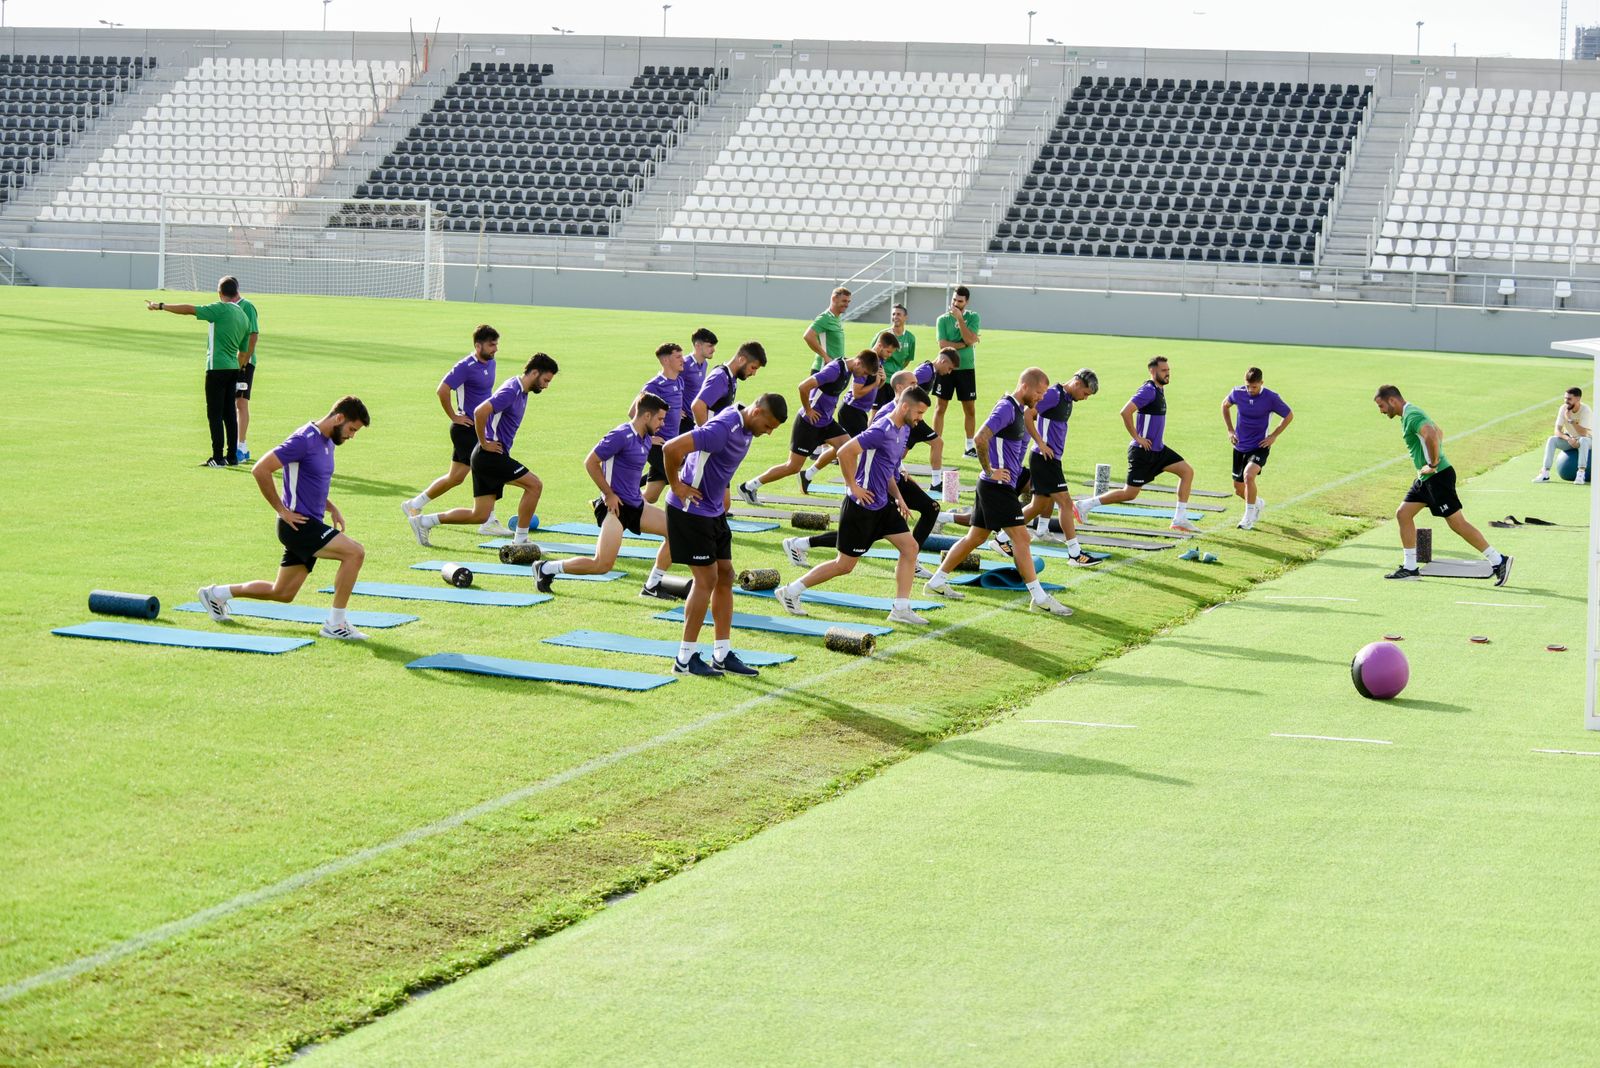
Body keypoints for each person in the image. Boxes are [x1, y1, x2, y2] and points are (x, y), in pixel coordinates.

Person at [197, 397, 372, 640]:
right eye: (352, 429)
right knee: (355, 552)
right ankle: (335, 623)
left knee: (282, 592)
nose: (352, 436)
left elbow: (312, 481)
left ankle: (216, 594)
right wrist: (281, 509)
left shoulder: (328, 440)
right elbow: (261, 469)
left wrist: (331, 507)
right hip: (298, 525)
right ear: (339, 418)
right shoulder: (304, 440)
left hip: (309, 523)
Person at [775, 387, 934, 626]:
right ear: (904, 407)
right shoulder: (882, 429)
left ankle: (901, 608)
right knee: (844, 566)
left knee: (910, 547)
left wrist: (899, 497)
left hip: (883, 504)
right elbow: (846, 451)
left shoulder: (902, 431)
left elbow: (887, 468)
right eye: (919, 412)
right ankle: (790, 591)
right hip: (862, 506)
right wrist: (853, 486)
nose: (920, 418)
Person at [923, 369, 1074, 617]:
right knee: (1022, 539)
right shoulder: (1006, 408)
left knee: (975, 538)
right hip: (996, 487)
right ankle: (1039, 597)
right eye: (1039, 392)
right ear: (1024, 386)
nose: (1041, 397)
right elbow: (980, 437)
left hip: (997, 486)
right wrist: (989, 470)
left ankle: (937, 581)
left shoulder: (1020, 410)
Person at [662, 394, 789, 677]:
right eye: (768, 426)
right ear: (757, 412)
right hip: (690, 511)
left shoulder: (745, 423)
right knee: (705, 579)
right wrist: (677, 486)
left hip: (713, 512)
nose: (768, 433)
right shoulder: (722, 429)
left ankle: (721, 654)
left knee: (725, 575)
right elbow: (671, 449)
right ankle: (685, 659)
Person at [784, 368, 944, 577]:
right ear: (900, 389)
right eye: (912, 383)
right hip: (878, 481)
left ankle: (910, 561)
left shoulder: (907, 418)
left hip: (891, 478)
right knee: (859, 541)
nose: (916, 387)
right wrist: (854, 484)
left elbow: (893, 452)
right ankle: (801, 546)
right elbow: (860, 449)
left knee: (920, 515)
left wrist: (900, 469)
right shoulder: (889, 417)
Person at [407, 354, 559, 546]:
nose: (546, 386)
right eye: (545, 380)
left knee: (479, 515)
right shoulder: (512, 390)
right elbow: (480, 411)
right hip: (489, 456)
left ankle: (424, 521)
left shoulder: (521, 391)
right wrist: (484, 442)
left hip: (488, 456)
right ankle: (520, 540)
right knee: (534, 485)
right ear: (534, 372)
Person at [1374, 385, 1512, 585]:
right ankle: (1410, 567)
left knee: (1457, 524)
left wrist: (1433, 463)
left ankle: (1499, 560)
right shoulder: (1410, 414)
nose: (1381, 411)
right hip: (1425, 480)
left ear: (1392, 401)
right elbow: (1439, 432)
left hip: (1438, 477)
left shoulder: (1412, 415)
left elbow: (1431, 434)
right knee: (1403, 514)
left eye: (1381, 406)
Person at [536, 394, 670, 592]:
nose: (663, 423)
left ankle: (652, 586)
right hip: (614, 509)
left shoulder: (647, 439)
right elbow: (590, 462)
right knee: (602, 565)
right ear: (647, 416)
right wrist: (608, 494)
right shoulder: (620, 435)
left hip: (636, 506)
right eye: (660, 419)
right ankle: (546, 568)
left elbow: (631, 471)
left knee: (675, 532)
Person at [1073, 356, 1200, 534]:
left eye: (1168, 370)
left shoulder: (1159, 390)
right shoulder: (1148, 390)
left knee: (1187, 471)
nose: (1167, 373)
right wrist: (1137, 437)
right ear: (1152, 371)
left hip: (1158, 450)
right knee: (1129, 494)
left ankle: (1180, 519)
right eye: (1163, 371)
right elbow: (1125, 412)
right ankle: (1083, 505)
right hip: (1143, 452)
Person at [402, 325, 507, 534]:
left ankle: (414, 505)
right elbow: (442, 390)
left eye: (496, 344)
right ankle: (488, 521)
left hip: (479, 428)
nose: (495, 349)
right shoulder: (465, 366)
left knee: (456, 477)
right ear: (478, 345)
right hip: (466, 429)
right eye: (491, 344)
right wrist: (454, 416)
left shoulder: (491, 363)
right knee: (488, 468)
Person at [737, 349, 880, 501]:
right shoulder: (835, 369)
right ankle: (748, 487)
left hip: (826, 422)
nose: (863, 377)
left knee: (848, 448)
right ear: (858, 363)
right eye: (864, 373)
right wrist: (808, 410)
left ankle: (850, 493)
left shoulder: (849, 369)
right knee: (792, 467)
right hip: (809, 423)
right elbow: (803, 386)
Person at [147, 276, 252, 467]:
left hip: (216, 368)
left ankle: (217, 457)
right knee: (229, 413)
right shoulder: (244, 317)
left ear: (220, 293)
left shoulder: (220, 309)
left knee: (214, 413)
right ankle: (232, 456)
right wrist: (238, 368)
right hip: (232, 368)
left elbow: (189, 309)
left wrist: (161, 305)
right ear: (236, 291)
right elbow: (244, 351)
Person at [1005, 369, 1101, 566]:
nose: (1085, 399)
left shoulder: (1066, 398)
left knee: (1038, 505)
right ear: (1077, 383)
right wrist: (1040, 443)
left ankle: (1001, 538)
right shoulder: (1054, 395)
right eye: (1085, 394)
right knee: (1066, 503)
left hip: (1051, 459)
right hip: (1044, 459)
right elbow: (1027, 415)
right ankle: (1075, 554)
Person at [801, 332, 894, 482]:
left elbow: (875, 387)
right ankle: (856, 483)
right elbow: (857, 393)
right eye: (888, 351)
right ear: (880, 345)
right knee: (858, 448)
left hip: (859, 411)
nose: (889, 355)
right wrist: (876, 383)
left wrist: (881, 381)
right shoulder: (865, 362)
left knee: (841, 447)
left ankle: (808, 474)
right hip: (852, 410)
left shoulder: (877, 363)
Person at [1221, 367, 1294, 530]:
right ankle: (1257, 503)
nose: (1250, 390)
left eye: (1254, 387)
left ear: (1261, 383)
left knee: (1249, 475)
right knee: (1239, 490)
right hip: (1240, 445)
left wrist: (1274, 435)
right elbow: (1225, 406)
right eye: (1248, 386)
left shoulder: (1271, 398)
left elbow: (1288, 415)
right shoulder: (1237, 393)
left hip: (1260, 445)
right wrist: (1230, 430)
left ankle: (1248, 518)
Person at [928, 285, 981, 486]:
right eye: (954, 300)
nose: (955, 304)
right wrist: (966, 343)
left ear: (966, 302)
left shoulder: (973, 318)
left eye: (959, 301)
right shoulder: (942, 320)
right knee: (940, 407)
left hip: (966, 368)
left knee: (970, 408)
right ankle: (936, 441)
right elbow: (943, 345)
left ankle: (969, 447)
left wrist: (961, 321)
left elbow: (970, 338)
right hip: (945, 369)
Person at [640, 343, 687, 504]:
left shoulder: (679, 382)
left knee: (651, 496)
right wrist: (649, 439)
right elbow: (633, 413)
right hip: (657, 446)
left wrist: (675, 410)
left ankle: (605, 502)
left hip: (670, 443)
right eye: (678, 357)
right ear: (666, 361)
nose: (683, 360)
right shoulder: (653, 386)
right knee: (685, 479)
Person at [689, 340, 766, 426]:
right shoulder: (720, 377)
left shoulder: (731, 377)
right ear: (742, 360)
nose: (754, 373)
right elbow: (697, 406)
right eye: (753, 367)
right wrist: (707, 436)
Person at [1533, 387, 1592, 484]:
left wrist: (1570, 420)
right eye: (1565, 398)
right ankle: (1545, 473)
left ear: (1578, 399)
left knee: (1583, 441)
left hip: (1589, 440)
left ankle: (1581, 474)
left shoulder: (1586, 410)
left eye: (1569, 399)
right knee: (1552, 440)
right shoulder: (1563, 408)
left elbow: (1583, 433)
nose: (1566, 401)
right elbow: (1557, 431)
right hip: (1571, 439)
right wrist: (1568, 439)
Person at [232, 286, 260, 464]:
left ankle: (241, 445)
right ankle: (238, 444)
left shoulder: (247, 306)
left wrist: (244, 361)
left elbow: (253, 335)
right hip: (229, 362)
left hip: (244, 363)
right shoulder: (226, 307)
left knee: (241, 403)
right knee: (234, 403)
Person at [877, 302, 916, 408]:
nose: (895, 317)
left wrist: (897, 369)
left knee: (894, 410)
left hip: (897, 382)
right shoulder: (883, 335)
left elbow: (908, 359)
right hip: (881, 380)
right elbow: (873, 354)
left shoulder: (910, 338)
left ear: (905, 317)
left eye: (898, 314)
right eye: (893, 314)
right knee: (876, 412)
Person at [803, 286, 850, 372]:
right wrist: (826, 357)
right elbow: (808, 336)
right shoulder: (825, 318)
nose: (847, 305)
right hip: (823, 369)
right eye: (844, 301)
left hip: (834, 368)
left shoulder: (837, 317)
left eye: (848, 301)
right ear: (834, 298)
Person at [679, 327, 718, 419]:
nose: (713, 350)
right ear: (698, 345)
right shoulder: (685, 364)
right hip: (683, 419)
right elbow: (670, 385)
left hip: (695, 417)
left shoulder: (705, 364)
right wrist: (673, 408)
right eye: (710, 346)